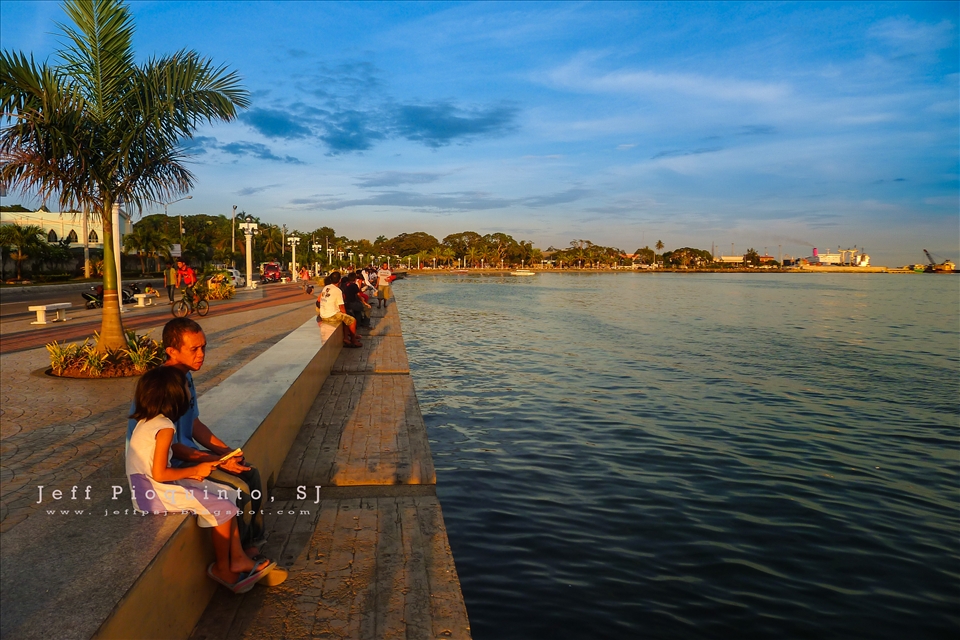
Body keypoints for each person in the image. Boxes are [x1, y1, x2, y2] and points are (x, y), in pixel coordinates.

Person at [126, 366, 275, 594]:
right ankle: (222, 569)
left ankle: (237, 557)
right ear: (174, 394)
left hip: (149, 487)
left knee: (230, 494)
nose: (190, 391)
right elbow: (160, 473)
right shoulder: (165, 427)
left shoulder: (149, 422)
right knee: (223, 507)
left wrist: (198, 469)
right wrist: (197, 468)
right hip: (152, 493)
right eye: (186, 387)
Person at [127, 318, 266, 550]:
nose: (201, 354)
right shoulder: (162, 388)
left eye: (203, 347)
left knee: (251, 473)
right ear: (171, 351)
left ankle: (255, 541)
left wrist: (226, 452)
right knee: (238, 490)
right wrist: (218, 461)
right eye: (194, 349)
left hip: (186, 456)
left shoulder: (186, 377)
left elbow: (194, 424)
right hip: (171, 466)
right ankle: (239, 555)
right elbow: (171, 447)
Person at [317, 271, 362, 347]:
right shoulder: (338, 291)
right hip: (331, 315)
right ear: (340, 280)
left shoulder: (326, 287)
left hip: (323, 315)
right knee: (352, 320)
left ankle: (346, 338)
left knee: (345, 318)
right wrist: (345, 315)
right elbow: (341, 307)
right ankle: (353, 340)